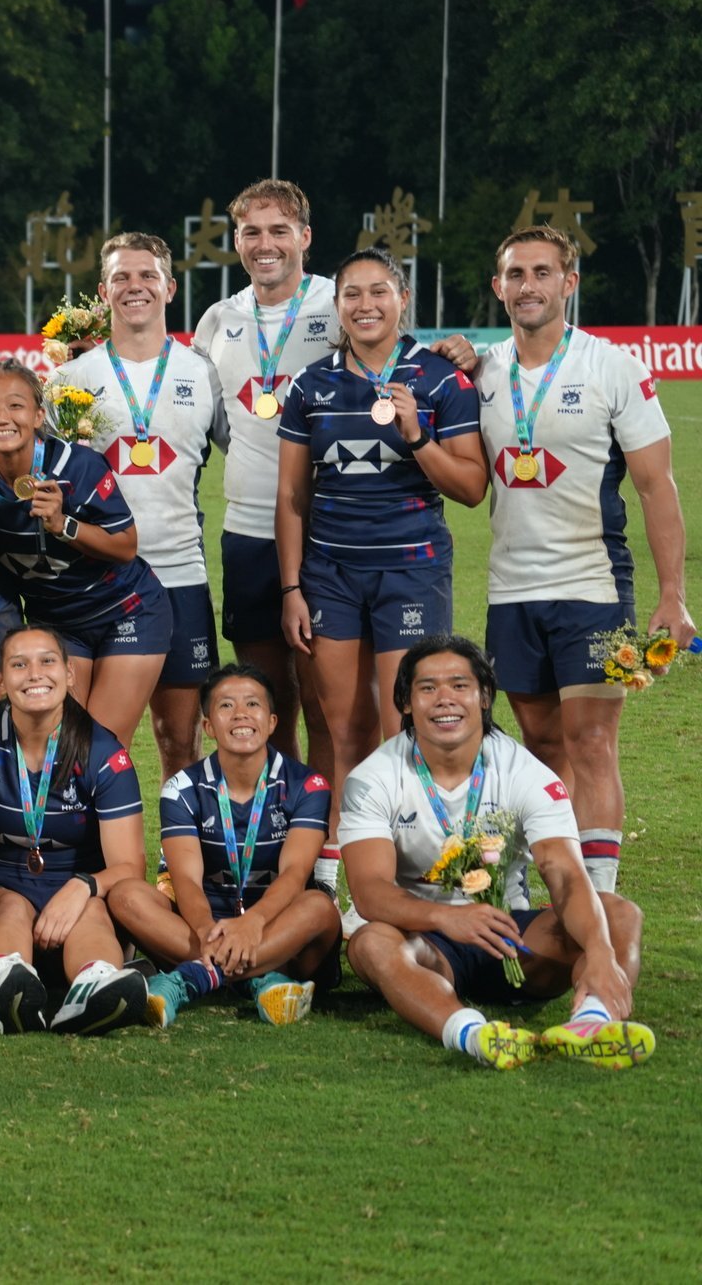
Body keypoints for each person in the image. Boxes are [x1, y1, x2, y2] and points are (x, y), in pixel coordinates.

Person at [469, 226, 691, 892]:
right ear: (498, 286)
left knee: (592, 742)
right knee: (540, 747)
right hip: (510, 590)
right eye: (515, 274)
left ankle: (600, 898)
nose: (527, 286)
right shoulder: (481, 370)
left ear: (569, 283)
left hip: (592, 585)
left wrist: (673, 594)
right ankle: (548, 881)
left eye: (541, 273)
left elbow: (657, 485)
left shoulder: (611, 366)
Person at [342, 637, 653, 1070]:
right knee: (370, 943)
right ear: (406, 703)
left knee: (619, 917)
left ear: (484, 697)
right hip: (426, 942)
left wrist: (599, 950)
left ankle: (591, 1023)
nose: (444, 700)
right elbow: (370, 892)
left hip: (514, 937)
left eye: (459, 685)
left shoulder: (526, 773)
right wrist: (447, 917)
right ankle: (473, 1033)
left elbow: (562, 871)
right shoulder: (372, 778)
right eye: (427, 688)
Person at [277, 248, 486, 822]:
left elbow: (471, 487)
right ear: (337, 305)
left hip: (411, 572)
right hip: (330, 577)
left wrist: (418, 435)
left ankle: (412, 862)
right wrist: (292, 589)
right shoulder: (310, 385)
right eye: (352, 295)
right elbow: (292, 498)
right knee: (343, 727)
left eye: (378, 292)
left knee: (406, 725)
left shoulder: (441, 378)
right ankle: (339, 870)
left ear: (402, 299)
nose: (365, 305)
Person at [54, 233, 227, 775]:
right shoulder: (69, 379)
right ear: (104, 292)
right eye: (122, 278)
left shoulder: (202, 372)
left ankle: (176, 862)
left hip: (179, 575)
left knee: (179, 739)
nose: (136, 287)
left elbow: (248, 456)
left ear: (170, 287)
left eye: (148, 275)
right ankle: (87, 851)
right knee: (83, 738)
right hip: (94, 577)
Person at [192, 179, 337, 775]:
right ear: (237, 241)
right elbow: (208, 420)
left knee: (329, 705)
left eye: (279, 230)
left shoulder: (338, 304)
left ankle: (328, 856)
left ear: (304, 236)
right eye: (252, 231)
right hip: (249, 532)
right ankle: (284, 840)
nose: (265, 243)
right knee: (270, 701)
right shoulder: (216, 320)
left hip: (329, 531)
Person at [106, 663, 340, 1027]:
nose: (241, 714)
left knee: (319, 907)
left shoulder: (308, 785)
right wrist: (204, 930)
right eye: (226, 706)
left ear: (273, 722)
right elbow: (185, 879)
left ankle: (194, 978)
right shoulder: (181, 789)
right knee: (125, 895)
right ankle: (261, 980)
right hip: (205, 929)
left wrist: (253, 924)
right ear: (208, 727)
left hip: (278, 926)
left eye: (253, 704)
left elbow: (295, 874)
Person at [0, 626, 151, 1037]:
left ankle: (94, 986)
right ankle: (8, 982)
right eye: (18, 665)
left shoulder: (104, 751)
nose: (34, 674)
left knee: (91, 908)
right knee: (9, 907)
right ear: (0, 681)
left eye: (47, 661)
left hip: (73, 893)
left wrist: (84, 887)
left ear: (70, 673)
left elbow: (131, 865)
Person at [0, 361, 171, 746]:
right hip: (56, 623)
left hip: (125, 611)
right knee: (56, 743)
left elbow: (126, 546)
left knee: (100, 746)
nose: (2, 418)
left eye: (16, 405)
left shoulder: (78, 465)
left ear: (39, 414)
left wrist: (64, 524)